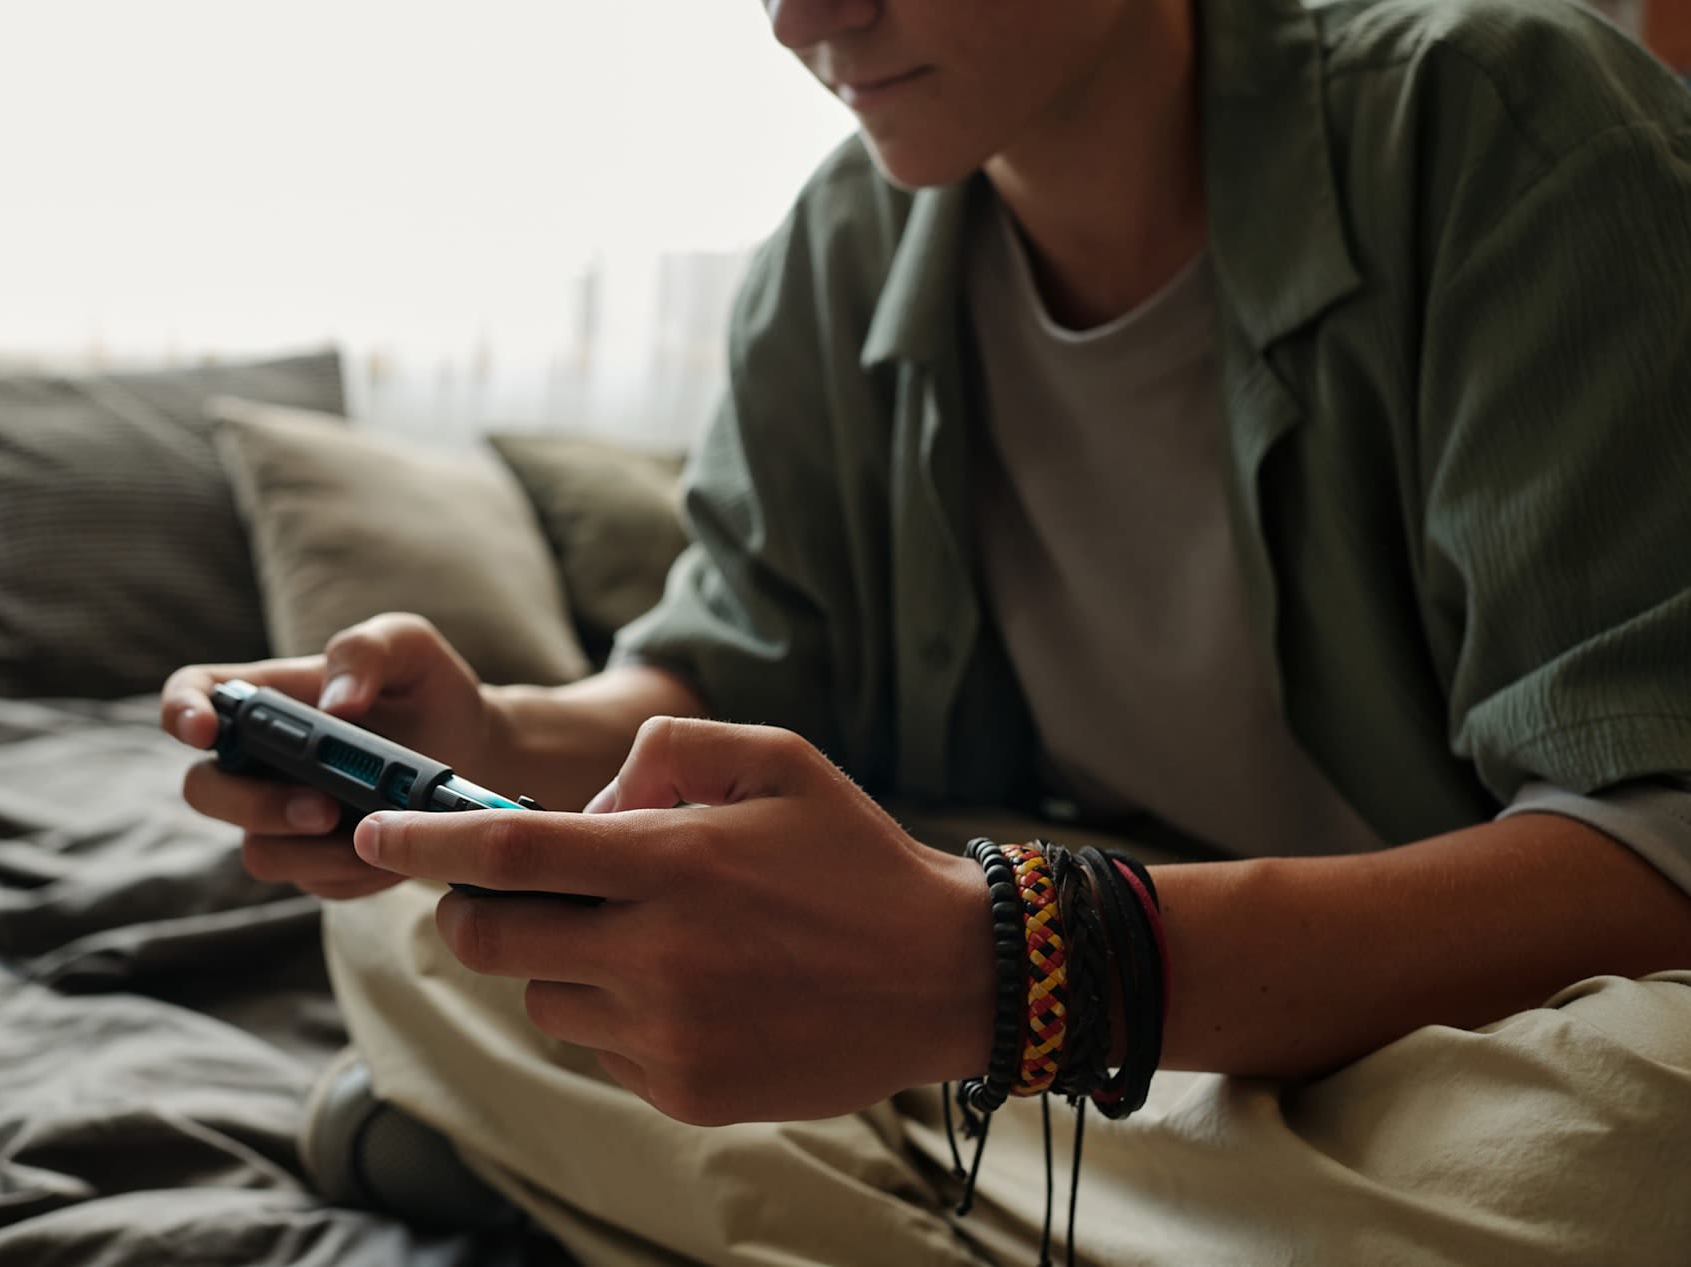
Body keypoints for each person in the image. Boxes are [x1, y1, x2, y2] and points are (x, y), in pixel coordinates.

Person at [163, 0, 1691, 1261]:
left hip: (1428, 1012)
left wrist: (1003, 968)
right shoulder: (837, 250)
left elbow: (1658, 849)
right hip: (1025, 988)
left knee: (1645, 1141)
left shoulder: (1500, 122)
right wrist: (501, 741)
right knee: (409, 910)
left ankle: (653, 1175)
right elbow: (726, 673)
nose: (797, 19)